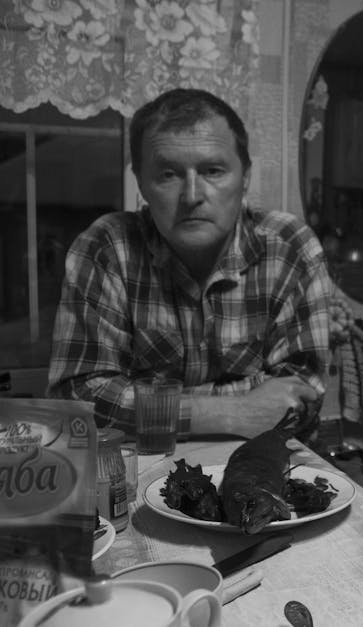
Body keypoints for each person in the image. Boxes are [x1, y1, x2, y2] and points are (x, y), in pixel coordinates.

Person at [47, 88, 332, 439]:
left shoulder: (290, 248)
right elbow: (78, 399)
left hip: (262, 466)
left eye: (213, 170)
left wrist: (142, 399)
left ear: (245, 178)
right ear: (140, 182)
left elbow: (302, 393)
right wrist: (234, 411)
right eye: (168, 174)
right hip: (143, 471)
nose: (193, 195)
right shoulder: (107, 248)